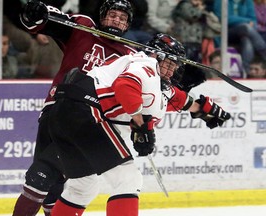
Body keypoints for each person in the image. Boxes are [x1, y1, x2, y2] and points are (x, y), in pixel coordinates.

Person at [47, 33, 231, 215]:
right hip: (85, 114)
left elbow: (178, 99)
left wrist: (205, 110)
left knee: (82, 187)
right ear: (155, 55)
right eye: (168, 63)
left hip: (63, 115)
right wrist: (140, 122)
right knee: (128, 179)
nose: (170, 70)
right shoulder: (145, 65)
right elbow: (125, 85)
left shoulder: (150, 76)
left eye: (174, 66)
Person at [12, 0, 136, 215]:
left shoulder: (130, 57)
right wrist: (39, 13)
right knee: (50, 188)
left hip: (86, 121)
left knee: (40, 176)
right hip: (54, 110)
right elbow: (45, 23)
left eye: (122, 18)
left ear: (128, 25)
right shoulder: (84, 27)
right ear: (102, 16)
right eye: (113, 14)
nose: (117, 20)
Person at [213, 0, 266, 73]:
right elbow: (224, 18)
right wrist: (246, 21)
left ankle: (246, 71)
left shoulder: (248, 1)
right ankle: (263, 50)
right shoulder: (221, 1)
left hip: (243, 33)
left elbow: (254, 21)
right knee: (246, 27)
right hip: (225, 32)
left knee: (246, 39)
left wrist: (246, 22)